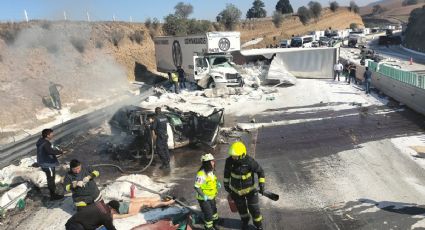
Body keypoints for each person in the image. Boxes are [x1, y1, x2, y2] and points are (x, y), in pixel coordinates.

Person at [223, 141, 265, 230]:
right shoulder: (229, 161)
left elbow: (260, 172)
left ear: (242, 154)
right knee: (242, 210)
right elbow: (226, 174)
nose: (233, 157)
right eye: (232, 155)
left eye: (235, 156)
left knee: (254, 209)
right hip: (236, 191)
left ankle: (258, 225)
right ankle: (245, 222)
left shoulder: (249, 162)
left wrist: (261, 184)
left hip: (250, 191)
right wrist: (226, 185)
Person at [36, 128, 64, 201]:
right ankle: (53, 195)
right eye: (51, 134)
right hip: (48, 164)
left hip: (43, 162)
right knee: (51, 179)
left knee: (50, 178)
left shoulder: (41, 141)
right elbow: (49, 151)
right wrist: (60, 152)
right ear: (47, 135)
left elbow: (48, 150)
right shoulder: (45, 143)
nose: (53, 135)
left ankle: (53, 193)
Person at [194, 153, 220, 230]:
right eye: (211, 161)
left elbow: (212, 180)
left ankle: (215, 223)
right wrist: (203, 196)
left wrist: (217, 183)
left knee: (214, 211)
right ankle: (208, 227)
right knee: (208, 214)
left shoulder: (210, 171)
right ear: (207, 163)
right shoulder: (201, 174)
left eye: (213, 161)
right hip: (204, 199)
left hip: (211, 196)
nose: (213, 162)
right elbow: (196, 187)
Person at [108, 196, 175, 219]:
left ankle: (162, 201)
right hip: (130, 208)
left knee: (146, 201)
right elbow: (121, 216)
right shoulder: (110, 215)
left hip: (127, 204)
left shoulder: (105, 208)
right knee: (148, 204)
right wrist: (132, 214)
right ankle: (166, 202)